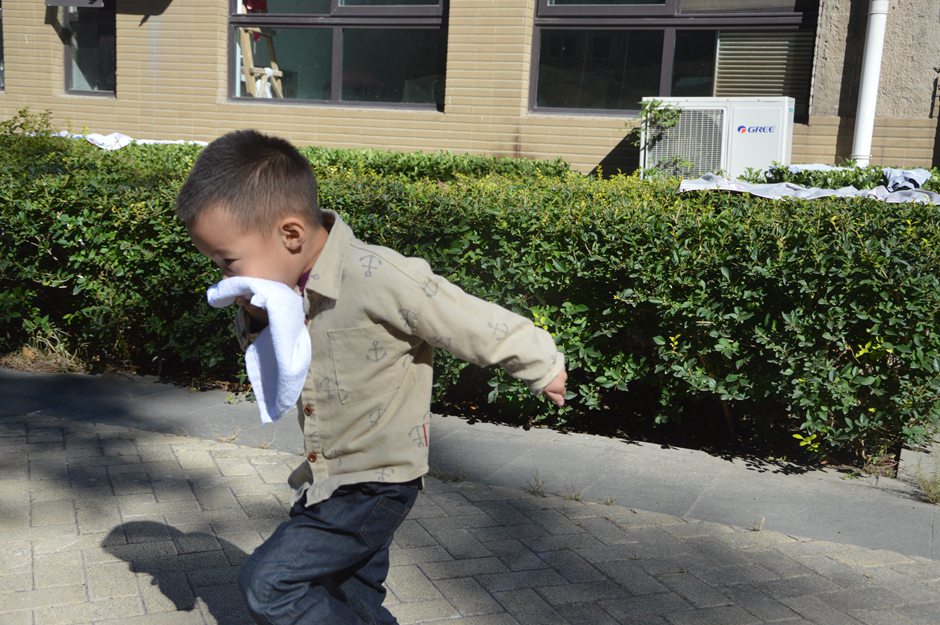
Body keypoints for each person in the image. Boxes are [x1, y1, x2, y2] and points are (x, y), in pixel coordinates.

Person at [175, 129, 567, 625]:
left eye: (228, 262)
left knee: (271, 584)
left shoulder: (377, 276)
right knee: (351, 598)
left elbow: (464, 317)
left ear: (290, 235)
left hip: (376, 480)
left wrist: (540, 363)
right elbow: (272, 363)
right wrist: (255, 318)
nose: (225, 278)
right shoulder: (281, 289)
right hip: (328, 478)